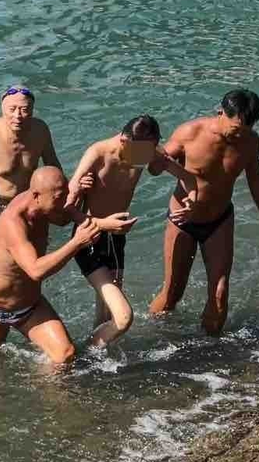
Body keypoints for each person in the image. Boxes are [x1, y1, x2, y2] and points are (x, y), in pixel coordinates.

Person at [0, 167, 134, 364]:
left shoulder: (44, 204)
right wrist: (76, 243)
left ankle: (41, 383)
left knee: (66, 355)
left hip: (30, 305)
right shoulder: (14, 223)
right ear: (36, 195)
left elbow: (64, 217)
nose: (65, 202)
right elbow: (35, 270)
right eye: (59, 197)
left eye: (65, 194)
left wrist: (94, 212)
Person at [148, 89, 259, 335]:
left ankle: (211, 349)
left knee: (220, 293)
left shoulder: (250, 141)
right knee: (173, 293)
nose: (240, 135)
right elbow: (155, 168)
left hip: (219, 221)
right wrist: (156, 159)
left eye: (246, 130)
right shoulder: (190, 133)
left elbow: (256, 179)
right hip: (182, 221)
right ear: (220, 112)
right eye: (235, 129)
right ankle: (154, 341)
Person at [66, 115, 197, 347]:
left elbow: (189, 179)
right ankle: (86, 353)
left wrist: (191, 201)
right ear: (124, 141)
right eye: (142, 153)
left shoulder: (144, 152)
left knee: (106, 312)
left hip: (117, 238)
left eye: (151, 150)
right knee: (121, 316)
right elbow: (68, 207)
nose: (146, 158)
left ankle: (97, 356)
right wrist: (102, 223)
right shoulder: (97, 154)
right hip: (89, 237)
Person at [0, 86, 72, 211]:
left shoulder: (40, 131)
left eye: (24, 110)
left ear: (32, 110)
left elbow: (53, 167)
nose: (17, 115)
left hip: (23, 200)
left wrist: (70, 194)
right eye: (12, 109)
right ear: (2, 109)